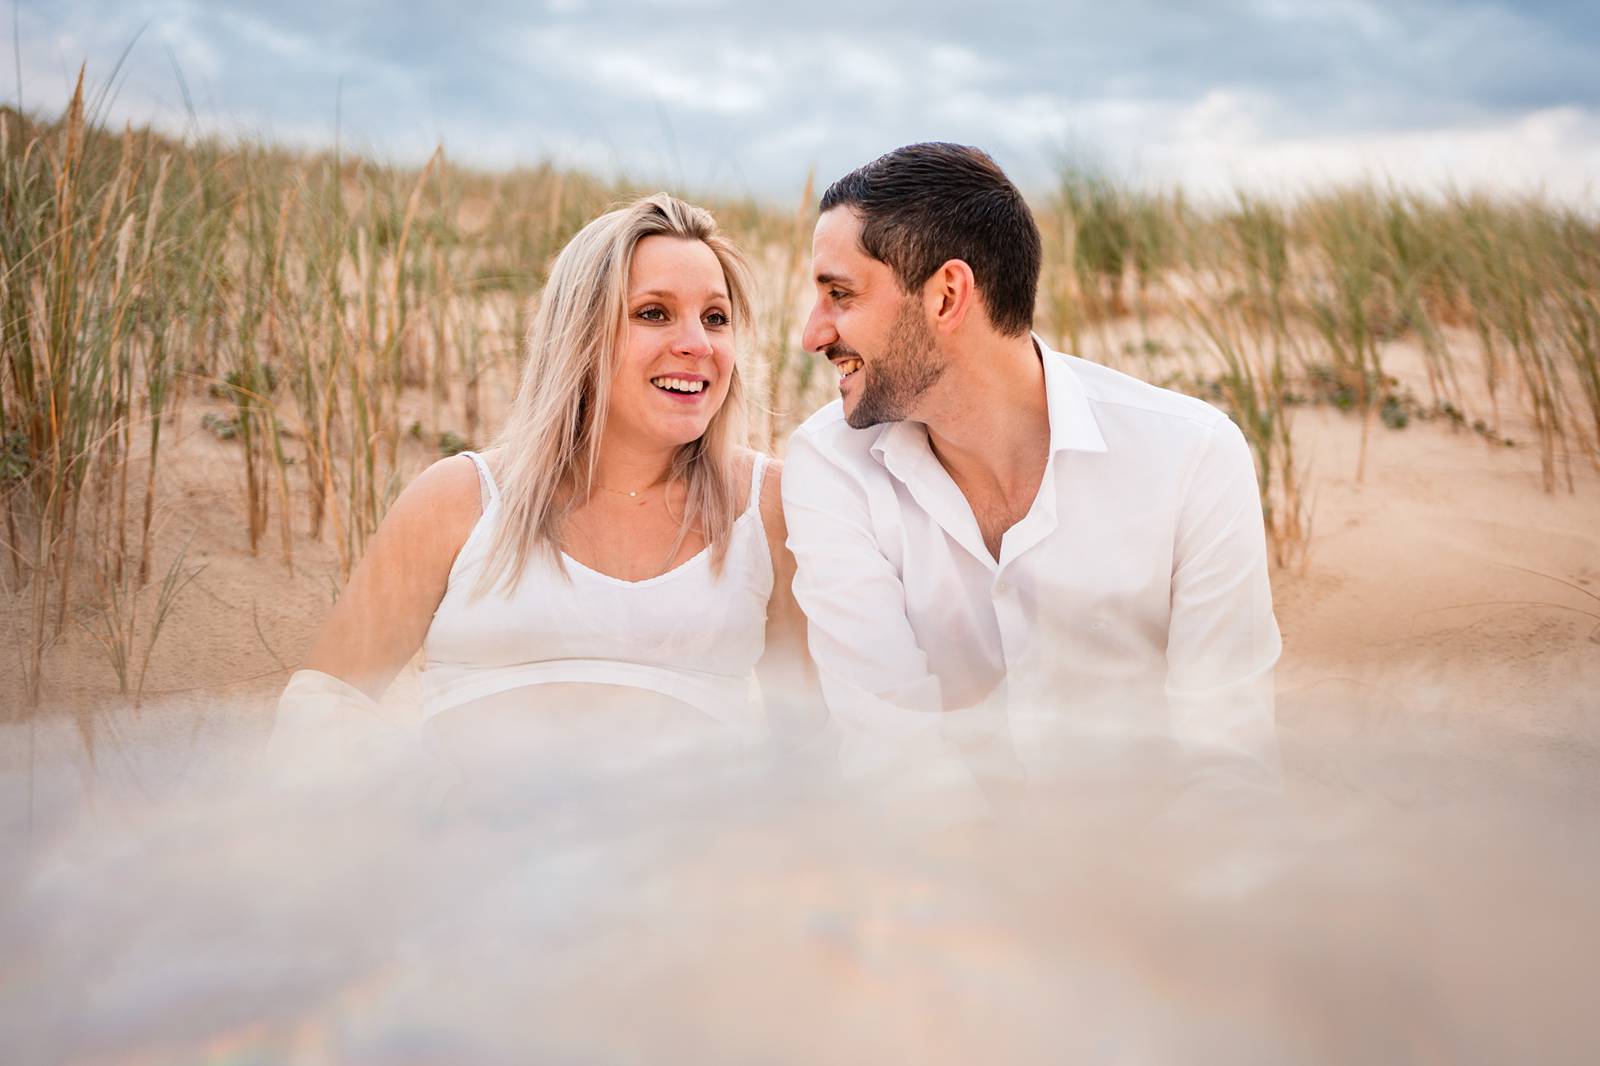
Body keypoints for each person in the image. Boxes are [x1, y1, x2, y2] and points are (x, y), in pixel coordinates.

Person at [780, 143, 1281, 788]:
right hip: (938, 872)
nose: (813, 334)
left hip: (1158, 866)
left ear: (947, 296)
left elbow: (1227, 760)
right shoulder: (831, 466)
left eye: (840, 295)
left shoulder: (1192, 456)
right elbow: (895, 756)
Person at [274, 194, 806, 768]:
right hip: (470, 844)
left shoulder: (768, 506)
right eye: (653, 313)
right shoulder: (461, 499)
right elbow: (322, 705)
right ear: (580, 334)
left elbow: (809, 738)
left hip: (679, 849)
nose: (698, 345)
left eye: (716, 318)